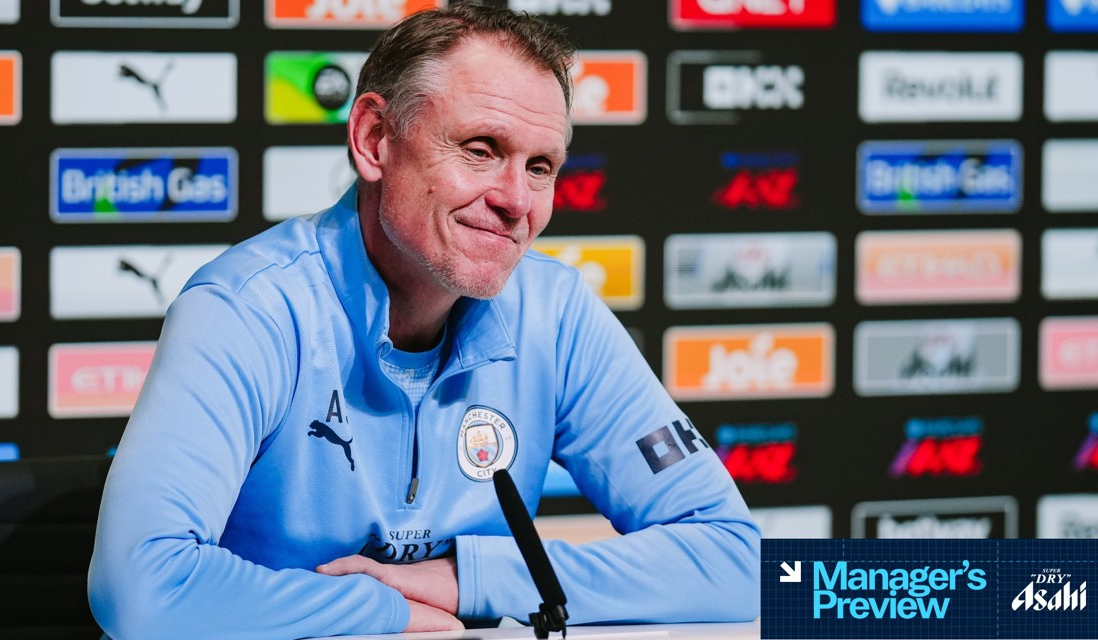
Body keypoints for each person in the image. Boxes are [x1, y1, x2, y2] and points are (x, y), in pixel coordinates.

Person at [87, 4, 760, 638]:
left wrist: (470, 580)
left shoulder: (553, 313)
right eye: (480, 148)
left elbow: (740, 559)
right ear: (374, 140)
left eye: (540, 167)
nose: (516, 201)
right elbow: (141, 588)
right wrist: (382, 609)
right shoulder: (250, 309)